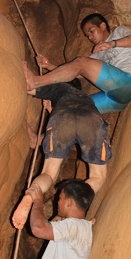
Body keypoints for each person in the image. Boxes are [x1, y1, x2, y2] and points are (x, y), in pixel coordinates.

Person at [12, 79, 112, 230]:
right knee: (98, 177)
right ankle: (71, 208)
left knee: (49, 173)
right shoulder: (86, 98)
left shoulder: (60, 87)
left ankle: (31, 195)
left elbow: (30, 86)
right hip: (90, 119)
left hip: (62, 117)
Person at [24, 12, 131, 114]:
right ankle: (38, 139)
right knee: (74, 109)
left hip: (128, 82)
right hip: (116, 101)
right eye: (87, 35)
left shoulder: (119, 31)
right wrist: (49, 65)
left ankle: (35, 82)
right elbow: (77, 73)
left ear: (102, 26)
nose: (90, 37)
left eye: (91, 31)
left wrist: (111, 44)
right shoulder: (97, 54)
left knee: (81, 61)